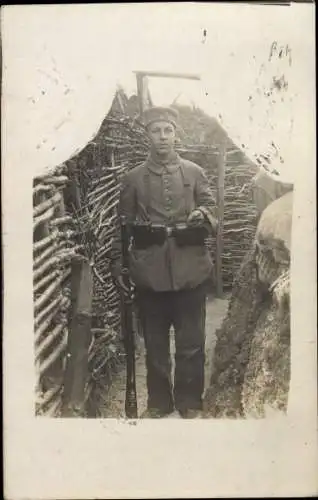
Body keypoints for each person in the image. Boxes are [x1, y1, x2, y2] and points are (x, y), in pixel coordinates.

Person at [110, 106, 217, 418]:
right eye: (156, 131)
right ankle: (159, 403)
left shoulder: (195, 172)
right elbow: (123, 226)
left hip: (190, 269)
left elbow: (212, 207)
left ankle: (189, 401)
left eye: (167, 130)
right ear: (147, 136)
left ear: (176, 134)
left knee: (191, 344)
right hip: (150, 272)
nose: (162, 137)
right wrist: (120, 265)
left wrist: (203, 214)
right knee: (155, 347)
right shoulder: (132, 180)